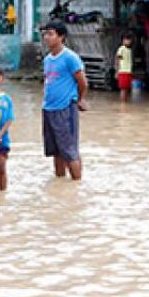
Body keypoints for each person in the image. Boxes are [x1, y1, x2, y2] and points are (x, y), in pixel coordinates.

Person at [41, 21, 88, 181]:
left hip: (65, 108)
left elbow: (82, 82)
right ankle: (60, 185)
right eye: (45, 34)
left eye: (50, 34)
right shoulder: (47, 59)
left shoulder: (70, 58)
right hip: (48, 108)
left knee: (69, 151)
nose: (46, 37)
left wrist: (80, 99)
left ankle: (77, 185)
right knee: (56, 151)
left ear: (61, 37)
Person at [116, 33, 134, 102]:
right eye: (127, 40)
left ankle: (125, 102)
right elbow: (118, 59)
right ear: (123, 41)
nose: (128, 41)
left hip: (128, 71)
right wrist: (117, 71)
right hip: (123, 71)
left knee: (126, 89)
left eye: (129, 40)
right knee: (123, 89)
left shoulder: (129, 50)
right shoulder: (121, 49)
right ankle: (122, 103)